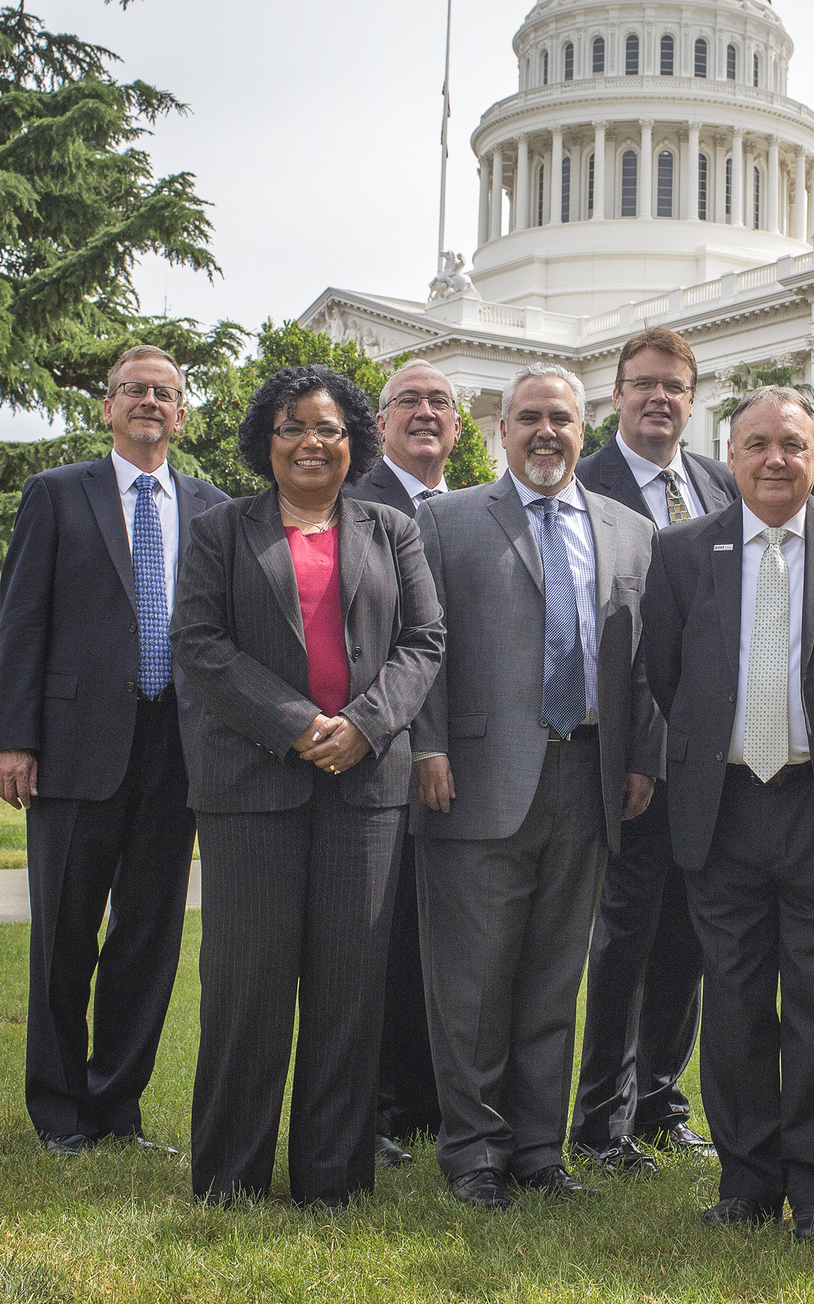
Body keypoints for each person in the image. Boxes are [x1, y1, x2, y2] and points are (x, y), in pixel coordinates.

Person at [170, 365, 444, 1207]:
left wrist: (364, 725)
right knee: (247, 987)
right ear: (267, 441)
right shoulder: (221, 530)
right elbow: (201, 642)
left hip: (364, 792)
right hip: (252, 787)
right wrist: (297, 722)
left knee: (348, 990)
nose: (312, 443)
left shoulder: (391, 529)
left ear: (353, 439)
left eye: (328, 429)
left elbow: (425, 640)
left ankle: (333, 1178)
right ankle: (231, 1177)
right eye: (293, 428)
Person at [640, 385, 814, 1241]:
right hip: (720, 805)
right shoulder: (683, 551)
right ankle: (747, 1181)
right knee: (736, 1000)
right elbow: (666, 671)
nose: (774, 460)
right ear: (731, 453)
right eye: (756, 444)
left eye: (792, 444)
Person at [412, 363, 661, 1211]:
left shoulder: (630, 532)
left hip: (587, 775)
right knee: (474, 979)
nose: (545, 431)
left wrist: (639, 760)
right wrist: (428, 747)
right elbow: (424, 647)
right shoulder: (445, 523)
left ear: (582, 429)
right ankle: (473, 1150)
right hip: (478, 777)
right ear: (502, 430)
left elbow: (642, 664)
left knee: (556, 976)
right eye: (529, 418)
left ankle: (536, 1150)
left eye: (560, 417)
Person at [0, 344, 228, 1156]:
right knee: (63, 936)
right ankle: (60, 1113)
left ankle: (116, 1109)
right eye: (134, 390)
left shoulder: (213, 508)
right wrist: (13, 738)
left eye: (165, 392)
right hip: (74, 748)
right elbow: (21, 621)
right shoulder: (57, 495)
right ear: (108, 407)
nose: (150, 402)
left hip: (179, 751)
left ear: (183, 412)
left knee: (149, 939)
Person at [569, 329, 736, 1173]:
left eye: (674, 387)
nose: (659, 399)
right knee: (624, 937)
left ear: (692, 398)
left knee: (689, 938)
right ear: (617, 397)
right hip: (629, 758)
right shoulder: (582, 482)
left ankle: (662, 1101)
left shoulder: (717, 483)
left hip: (710, 758)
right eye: (643, 386)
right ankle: (600, 1120)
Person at [348, 359, 460, 1165]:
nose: (425, 414)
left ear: (459, 426)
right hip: (383, 754)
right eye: (408, 402)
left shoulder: (468, 510)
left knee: (444, 938)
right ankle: (377, 1110)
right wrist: (419, 739)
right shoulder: (356, 509)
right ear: (380, 424)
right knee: (380, 939)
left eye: (440, 403)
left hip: (471, 763)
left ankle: (426, 1102)